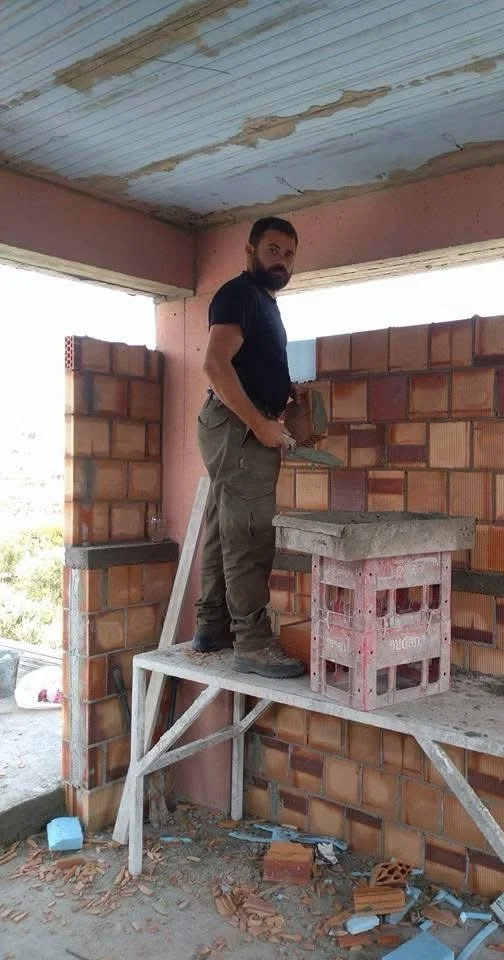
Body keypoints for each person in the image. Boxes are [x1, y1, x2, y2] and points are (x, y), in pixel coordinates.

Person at [191, 216, 305, 679]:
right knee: (251, 533)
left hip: (235, 424)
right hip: (239, 426)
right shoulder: (238, 294)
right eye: (274, 250)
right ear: (251, 251)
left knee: (226, 525)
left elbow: (248, 364)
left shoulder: (261, 302)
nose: (282, 261)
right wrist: (259, 424)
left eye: (290, 254)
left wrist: (287, 392)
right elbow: (215, 365)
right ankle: (253, 643)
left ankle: (213, 626)